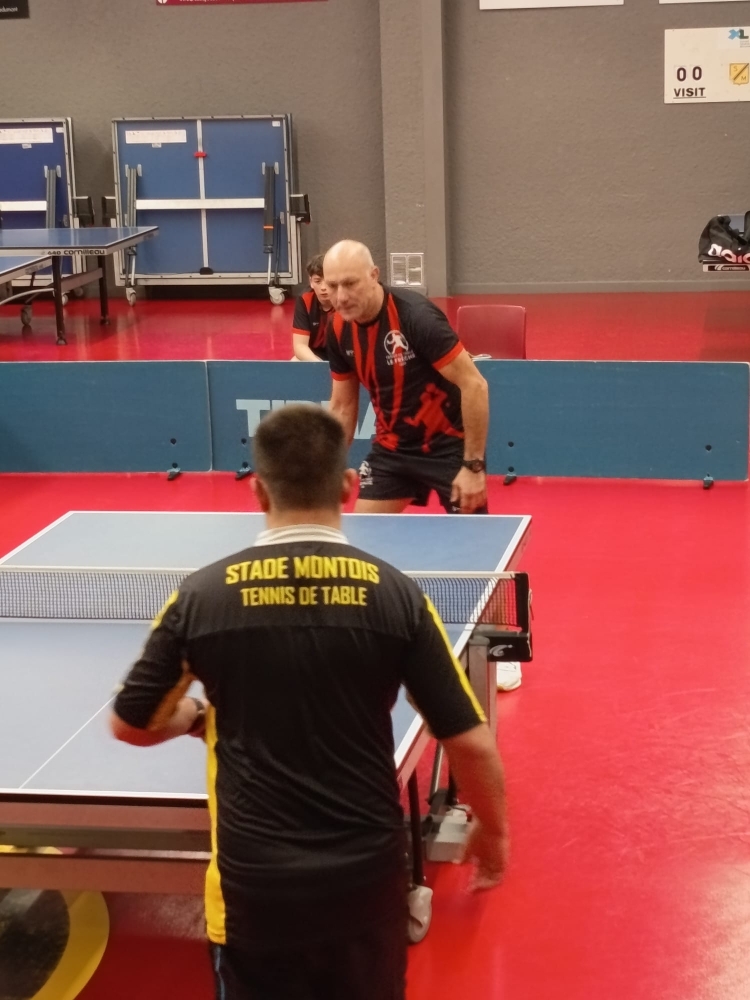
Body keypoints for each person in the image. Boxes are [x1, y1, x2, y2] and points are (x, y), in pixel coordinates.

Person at [110, 404, 510, 1000]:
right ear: (349, 486)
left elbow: (131, 725)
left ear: (258, 490)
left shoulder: (199, 598)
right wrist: (493, 832)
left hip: (253, 891)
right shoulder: (398, 597)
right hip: (366, 885)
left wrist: (191, 715)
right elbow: (469, 741)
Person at [324, 240, 522, 691]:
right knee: (359, 545)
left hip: (450, 449)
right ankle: (366, 635)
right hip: (392, 451)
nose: (341, 296)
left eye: (350, 283)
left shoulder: (416, 317)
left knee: (480, 554)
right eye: (332, 286)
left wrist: (473, 466)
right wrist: (330, 466)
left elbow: (475, 386)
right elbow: (342, 404)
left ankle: (502, 644)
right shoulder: (338, 328)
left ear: (374, 276)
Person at [291, 253, 333, 361]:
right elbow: (300, 346)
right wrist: (319, 365)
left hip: (341, 356)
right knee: (294, 361)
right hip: (315, 355)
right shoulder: (304, 299)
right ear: (311, 282)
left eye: (328, 281)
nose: (323, 287)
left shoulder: (345, 300)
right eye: (318, 281)